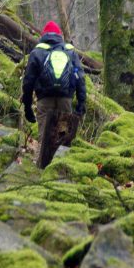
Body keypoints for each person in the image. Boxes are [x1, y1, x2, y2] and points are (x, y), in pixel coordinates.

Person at [22, 20, 87, 169]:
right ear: (60, 35)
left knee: (44, 134)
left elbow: (28, 81)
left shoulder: (37, 52)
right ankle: (61, 169)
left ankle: (41, 168)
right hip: (66, 98)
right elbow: (80, 78)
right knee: (64, 134)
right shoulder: (69, 52)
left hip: (44, 99)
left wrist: (27, 106)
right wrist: (81, 103)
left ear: (43, 35)